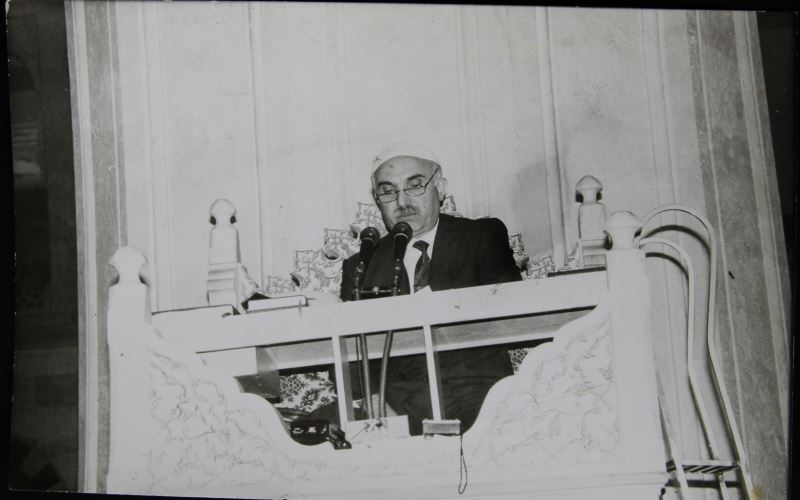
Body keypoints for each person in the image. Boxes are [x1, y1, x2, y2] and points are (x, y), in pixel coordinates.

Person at [339, 142, 521, 435]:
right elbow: (349, 354)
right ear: (378, 200)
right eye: (388, 191)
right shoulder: (361, 266)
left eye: (415, 186)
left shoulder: (481, 238)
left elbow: (512, 312)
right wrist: (373, 400)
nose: (402, 201)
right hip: (397, 405)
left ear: (440, 187)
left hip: (477, 394)